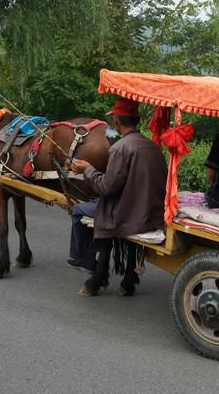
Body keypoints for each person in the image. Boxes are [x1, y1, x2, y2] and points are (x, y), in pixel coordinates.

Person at [69, 97, 167, 297]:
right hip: (147, 210)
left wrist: (87, 169)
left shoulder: (120, 148)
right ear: (137, 120)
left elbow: (106, 187)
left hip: (127, 213)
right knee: (97, 206)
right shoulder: (153, 147)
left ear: (116, 122)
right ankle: (121, 275)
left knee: (79, 211)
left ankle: (84, 260)